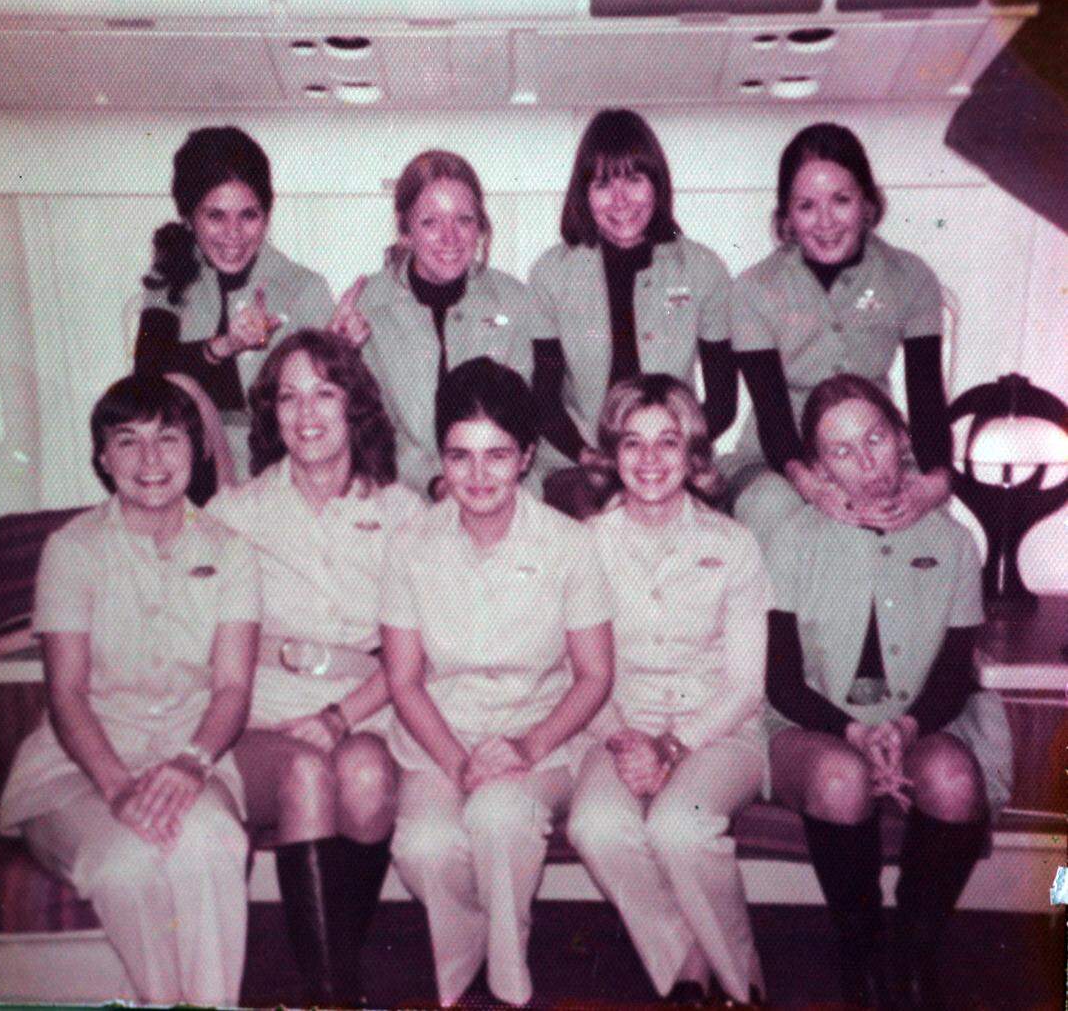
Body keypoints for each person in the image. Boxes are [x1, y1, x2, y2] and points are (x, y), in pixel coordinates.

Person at [0, 374, 260, 1006]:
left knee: (213, 843)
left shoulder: (232, 552)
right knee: (126, 864)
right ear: (103, 458)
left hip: (187, 759)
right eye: (128, 441)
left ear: (196, 449)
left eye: (168, 438)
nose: (150, 459)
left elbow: (232, 687)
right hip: (79, 770)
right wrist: (117, 787)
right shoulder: (71, 550)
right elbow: (66, 693)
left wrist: (192, 763)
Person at [764, 374, 1012, 1008]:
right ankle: (862, 945)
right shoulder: (791, 539)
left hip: (920, 721)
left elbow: (953, 674)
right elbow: (782, 680)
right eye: (842, 452)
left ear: (902, 437)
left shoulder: (953, 542)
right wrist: (852, 732)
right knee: (840, 779)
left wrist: (903, 728)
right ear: (820, 468)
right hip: (811, 725)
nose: (868, 463)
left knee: (954, 782)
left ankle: (915, 948)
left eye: (876, 438)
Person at [379, 358, 614, 1007]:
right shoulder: (408, 545)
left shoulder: (569, 544)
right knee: (424, 847)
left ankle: (508, 986)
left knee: (501, 816)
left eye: (497, 455)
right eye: (460, 457)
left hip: (540, 739)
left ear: (526, 456)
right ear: (442, 459)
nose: (478, 476)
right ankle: (464, 973)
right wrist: (458, 764)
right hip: (438, 739)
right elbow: (404, 680)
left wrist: (525, 748)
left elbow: (594, 676)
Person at [205, 330, 422, 1006]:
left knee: (364, 776)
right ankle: (333, 993)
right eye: (288, 397)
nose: (306, 414)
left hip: (366, 708)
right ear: (270, 413)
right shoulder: (234, 512)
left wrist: (339, 717)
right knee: (304, 772)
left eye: (324, 394)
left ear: (354, 405)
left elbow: (418, 649)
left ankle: (332, 971)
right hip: (259, 716)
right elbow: (170, 606)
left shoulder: (402, 512)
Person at [567, 374, 770, 1005]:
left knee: (680, 827)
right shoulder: (583, 545)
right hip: (616, 726)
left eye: (668, 442)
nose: (650, 459)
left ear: (693, 454)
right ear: (611, 454)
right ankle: (689, 956)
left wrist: (674, 746)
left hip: (719, 731)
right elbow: (577, 670)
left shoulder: (734, 545)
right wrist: (627, 740)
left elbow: (746, 684)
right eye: (633, 442)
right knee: (596, 825)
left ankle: (743, 987)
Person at [730, 122, 952, 547]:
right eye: (806, 206)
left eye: (841, 200)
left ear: (867, 204)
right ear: (787, 218)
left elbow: (926, 396)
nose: (826, 221)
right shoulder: (753, 289)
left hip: (876, 453)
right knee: (772, 510)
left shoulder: (911, 277)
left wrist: (936, 483)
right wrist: (812, 487)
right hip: (777, 460)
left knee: (930, 527)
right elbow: (772, 414)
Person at [527, 109, 736, 507]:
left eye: (635, 180)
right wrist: (589, 457)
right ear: (584, 194)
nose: (620, 200)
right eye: (603, 184)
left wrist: (674, 455)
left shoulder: (703, 270)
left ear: (657, 185)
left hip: (674, 463)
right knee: (593, 521)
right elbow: (544, 401)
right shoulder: (550, 275)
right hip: (579, 462)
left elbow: (724, 401)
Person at [326, 150, 551, 495]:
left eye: (464, 220)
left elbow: (524, 422)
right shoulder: (365, 307)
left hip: (503, 492)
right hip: (404, 495)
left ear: (480, 226)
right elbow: (372, 431)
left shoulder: (515, 301)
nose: (450, 237)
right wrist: (336, 355)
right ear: (405, 230)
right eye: (431, 222)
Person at [135, 125, 334, 482]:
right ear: (189, 217)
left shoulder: (304, 289)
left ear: (267, 216)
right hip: (183, 479)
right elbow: (146, 380)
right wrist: (226, 345)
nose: (233, 234)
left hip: (274, 481)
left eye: (248, 215)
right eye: (215, 216)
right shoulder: (169, 278)